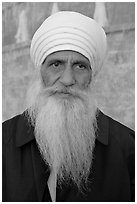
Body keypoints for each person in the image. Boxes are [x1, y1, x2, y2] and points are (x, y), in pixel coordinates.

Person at [2, 11, 135, 202]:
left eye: (80, 66)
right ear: (40, 73)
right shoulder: (4, 141)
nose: (67, 79)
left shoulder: (127, 147)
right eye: (56, 64)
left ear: (91, 77)